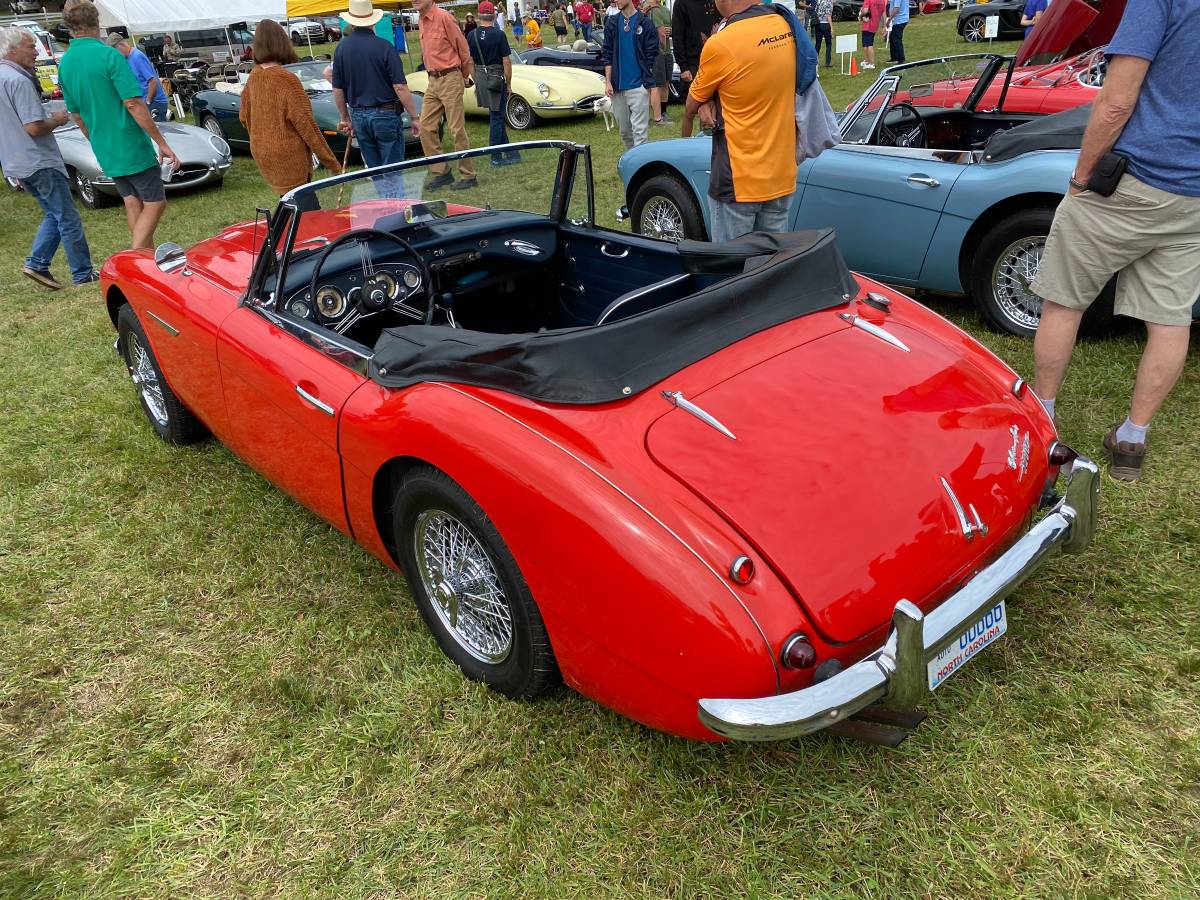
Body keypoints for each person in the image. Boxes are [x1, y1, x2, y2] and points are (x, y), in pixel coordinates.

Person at [1030, 0, 1200, 483]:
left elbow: (1117, 101)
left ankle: (1042, 420)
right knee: (1170, 318)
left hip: (1132, 182)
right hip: (1195, 196)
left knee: (1063, 301)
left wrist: (1082, 178)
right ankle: (1132, 439)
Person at [57, 1, 179, 250]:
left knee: (132, 201)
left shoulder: (66, 63)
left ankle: (144, 259)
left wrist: (95, 139)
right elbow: (134, 104)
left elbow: (76, 114)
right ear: (97, 23)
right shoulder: (109, 55)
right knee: (155, 202)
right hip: (129, 142)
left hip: (103, 144)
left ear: (71, 27)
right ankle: (134, 258)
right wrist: (162, 143)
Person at [683, 0, 799, 242]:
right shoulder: (784, 25)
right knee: (770, 270)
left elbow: (692, 102)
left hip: (739, 182)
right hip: (781, 173)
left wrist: (706, 99)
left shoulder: (723, 42)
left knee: (733, 273)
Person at [0, 26, 95, 288]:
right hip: (37, 159)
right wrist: (56, 119)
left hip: (15, 160)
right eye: (31, 47)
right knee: (67, 216)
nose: (35, 52)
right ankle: (83, 274)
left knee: (54, 214)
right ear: (13, 49)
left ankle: (38, 263)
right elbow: (33, 127)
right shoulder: (18, 81)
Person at [240, 20, 342, 199]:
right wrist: (333, 164)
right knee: (305, 208)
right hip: (288, 155)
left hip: (262, 152)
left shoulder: (253, 76)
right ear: (282, 43)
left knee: (288, 203)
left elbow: (243, 116)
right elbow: (307, 126)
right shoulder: (287, 79)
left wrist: (263, 136)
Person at [332, 1, 422, 176]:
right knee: (393, 172)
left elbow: (337, 89)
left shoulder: (341, 48)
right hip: (385, 114)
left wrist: (345, 118)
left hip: (358, 115)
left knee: (375, 172)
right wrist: (414, 117)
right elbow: (400, 86)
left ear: (351, 22)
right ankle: (394, 202)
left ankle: (384, 201)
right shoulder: (385, 47)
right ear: (373, 21)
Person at [415, 0, 477, 189]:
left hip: (450, 76)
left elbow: (463, 48)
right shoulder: (421, 20)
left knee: (456, 129)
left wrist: (465, 76)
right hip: (433, 80)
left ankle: (468, 176)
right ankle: (441, 172)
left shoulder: (444, 17)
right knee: (425, 127)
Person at [468, 2, 520, 167]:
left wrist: (476, 79)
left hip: (480, 77)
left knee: (496, 114)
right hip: (496, 76)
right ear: (493, 15)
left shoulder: (471, 35)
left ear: (478, 15)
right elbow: (506, 62)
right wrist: (509, 83)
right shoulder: (499, 35)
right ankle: (495, 156)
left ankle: (512, 153)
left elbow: (469, 61)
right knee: (496, 117)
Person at [602, 0, 658, 150]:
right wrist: (608, 81)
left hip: (638, 86)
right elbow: (607, 53)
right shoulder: (612, 23)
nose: (616, 1)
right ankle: (633, 164)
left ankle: (640, 169)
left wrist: (646, 81)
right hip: (618, 87)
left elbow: (651, 53)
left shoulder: (645, 22)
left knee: (640, 134)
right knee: (625, 132)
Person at [105, 34, 169, 122]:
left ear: (121, 45)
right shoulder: (127, 58)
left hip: (155, 103)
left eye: (115, 51)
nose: (115, 55)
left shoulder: (137, 57)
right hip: (145, 103)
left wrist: (148, 102)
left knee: (159, 133)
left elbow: (152, 81)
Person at [671, 0, 719, 100]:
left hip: (717, 60)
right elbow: (677, 35)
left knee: (717, 104)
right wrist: (683, 67)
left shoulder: (717, 2)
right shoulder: (681, 3)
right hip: (693, 63)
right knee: (699, 105)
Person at [644, 0, 672, 125]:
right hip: (661, 52)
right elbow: (663, 32)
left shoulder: (659, 10)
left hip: (661, 52)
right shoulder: (657, 9)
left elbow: (665, 31)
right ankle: (660, 115)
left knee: (660, 84)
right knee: (660, 84)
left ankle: (661, 114)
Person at [859, 0, 886, 69]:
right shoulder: (882, 1)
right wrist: (884, 26)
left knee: (869, 44)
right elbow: (883, 13)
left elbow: (865, 11)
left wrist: (860, 15)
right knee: (865, 43)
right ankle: (866, 60)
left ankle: (871, 63)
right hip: (875, 24)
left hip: (867, 24)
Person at [884, 0, 908, 64]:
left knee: (897, 40)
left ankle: (901, 59)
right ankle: (894, 58)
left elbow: (896, 8)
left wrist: (889, 19)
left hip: (900, 20)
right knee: (893, 38)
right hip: (899, 20)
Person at [814, 0, 832, 67]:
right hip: (825, 24)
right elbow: (828, 15)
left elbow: (815, 10)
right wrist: (832, 27)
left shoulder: (819, 1)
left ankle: (815, 61)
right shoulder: (828, 2)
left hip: (818, 24)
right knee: (828, 44)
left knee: (818, 44)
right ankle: (827, 62)